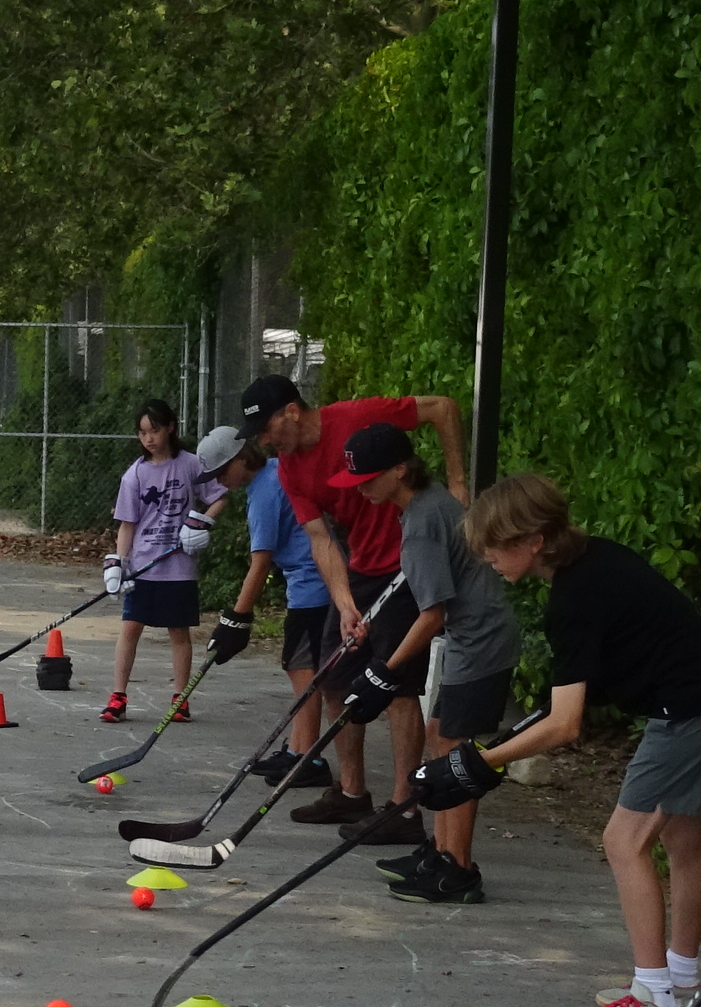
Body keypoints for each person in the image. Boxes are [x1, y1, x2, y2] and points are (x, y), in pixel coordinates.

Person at [456, 474, 701, 1007]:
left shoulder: (574, 600)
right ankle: (681, 985)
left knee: (624, 841)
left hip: (691, 707)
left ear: (534, 539)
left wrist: (484, 761)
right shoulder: (594, 561)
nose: (488, 558)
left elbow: (565, 724)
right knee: (682, 835)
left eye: (495, 545)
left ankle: (654, 1001)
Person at [236, 374, 465, 842]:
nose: (263, 443)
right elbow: (320, 538)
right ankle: (352, 792)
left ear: (292, 413)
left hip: (408, 565)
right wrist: (343, 604)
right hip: (360, 568)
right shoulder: (288, 468)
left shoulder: (358, 419)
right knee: (334, 676)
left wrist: (460, 483)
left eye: (265, 431)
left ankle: (403, 809)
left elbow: (443, 407)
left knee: (396, 685)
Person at [322, 425, 519, 907]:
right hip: (469, 639)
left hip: (480, 642)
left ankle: (459, 869)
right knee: (440, 740)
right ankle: (442, 853)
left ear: (400, 469)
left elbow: (432, 613)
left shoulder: (424, 519)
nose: (362, 488)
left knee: (457, 755)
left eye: (369, 478)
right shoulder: (424, 506)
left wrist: (384, 669)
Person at [215, 423, 335, 787]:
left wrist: (237, 617)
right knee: (298, 666)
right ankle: (298, 750)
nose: (220, 481)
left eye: (222, 471)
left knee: (305, 670)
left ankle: (307, 759)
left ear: (240, 459)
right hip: (309, 585)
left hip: (315, 586)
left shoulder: (265, 489)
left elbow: (261, 560)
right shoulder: (271, 475)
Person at [102, 399, 212, 723]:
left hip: (179, 567)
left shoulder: (191, 465)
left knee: (179, 631)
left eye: (154, 430)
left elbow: (219, 496)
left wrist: (200, 523)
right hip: (144, 565)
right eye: (142, 432)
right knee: (130, 628)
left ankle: (181, 698)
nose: (148, 438)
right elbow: (127, 524)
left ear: (170, 428)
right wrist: (120, 564)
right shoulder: (134, 474)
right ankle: (118, 697)